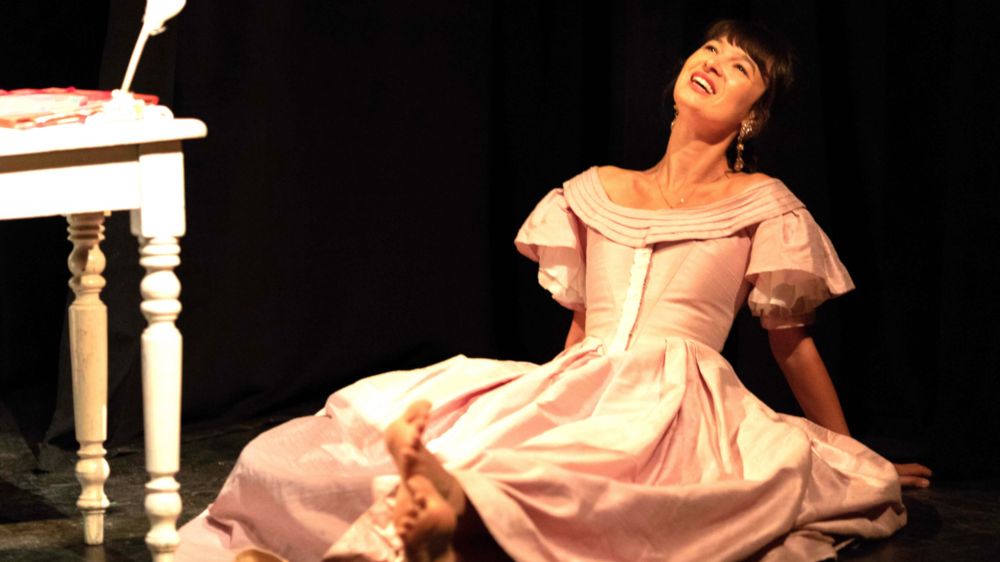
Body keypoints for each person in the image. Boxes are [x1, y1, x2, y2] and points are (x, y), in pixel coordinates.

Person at [177, 18, 930, 562]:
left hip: (679, 399)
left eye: (740, 67)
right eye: (710, 48)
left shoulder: (763, 203)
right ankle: (394, 524)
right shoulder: (595, 190)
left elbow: (791, 343)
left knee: (589, 490)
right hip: (583, 378)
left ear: (753, 116)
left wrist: (845, 451)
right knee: (340, 445)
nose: (715, 62)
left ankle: (427, 523)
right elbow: (582, 329)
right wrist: (539, 403)